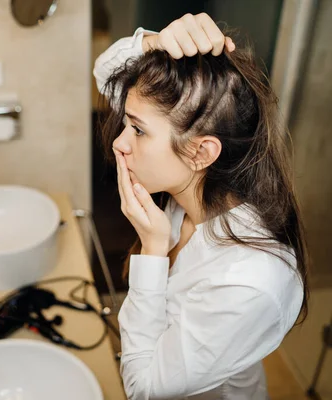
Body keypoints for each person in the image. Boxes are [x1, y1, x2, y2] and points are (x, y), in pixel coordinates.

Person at [93, 13, 308, 399]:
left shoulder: (248, 280)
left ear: (201, 152)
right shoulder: (197, 190)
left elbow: (143, 388)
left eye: (137, 130)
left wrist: (153, 250)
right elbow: (105, 70)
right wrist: (156, 43)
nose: (119, 144)